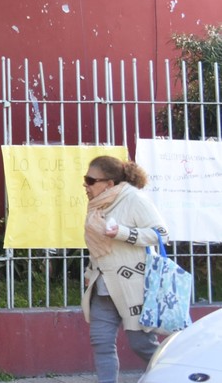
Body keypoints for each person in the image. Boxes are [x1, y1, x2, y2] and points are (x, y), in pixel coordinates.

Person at [80, 155, 169, 383]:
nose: (85, 185)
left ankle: (173, 376)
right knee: (101, 342)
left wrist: (122, 232)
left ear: (109, 184)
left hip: (132, 287)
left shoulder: (134, 199)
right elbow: (98, 248)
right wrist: (89, 274)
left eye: (90, 180)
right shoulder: (98, 204)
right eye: (85, 179)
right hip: (102, 287)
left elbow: (161, 234)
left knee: (141, 344)